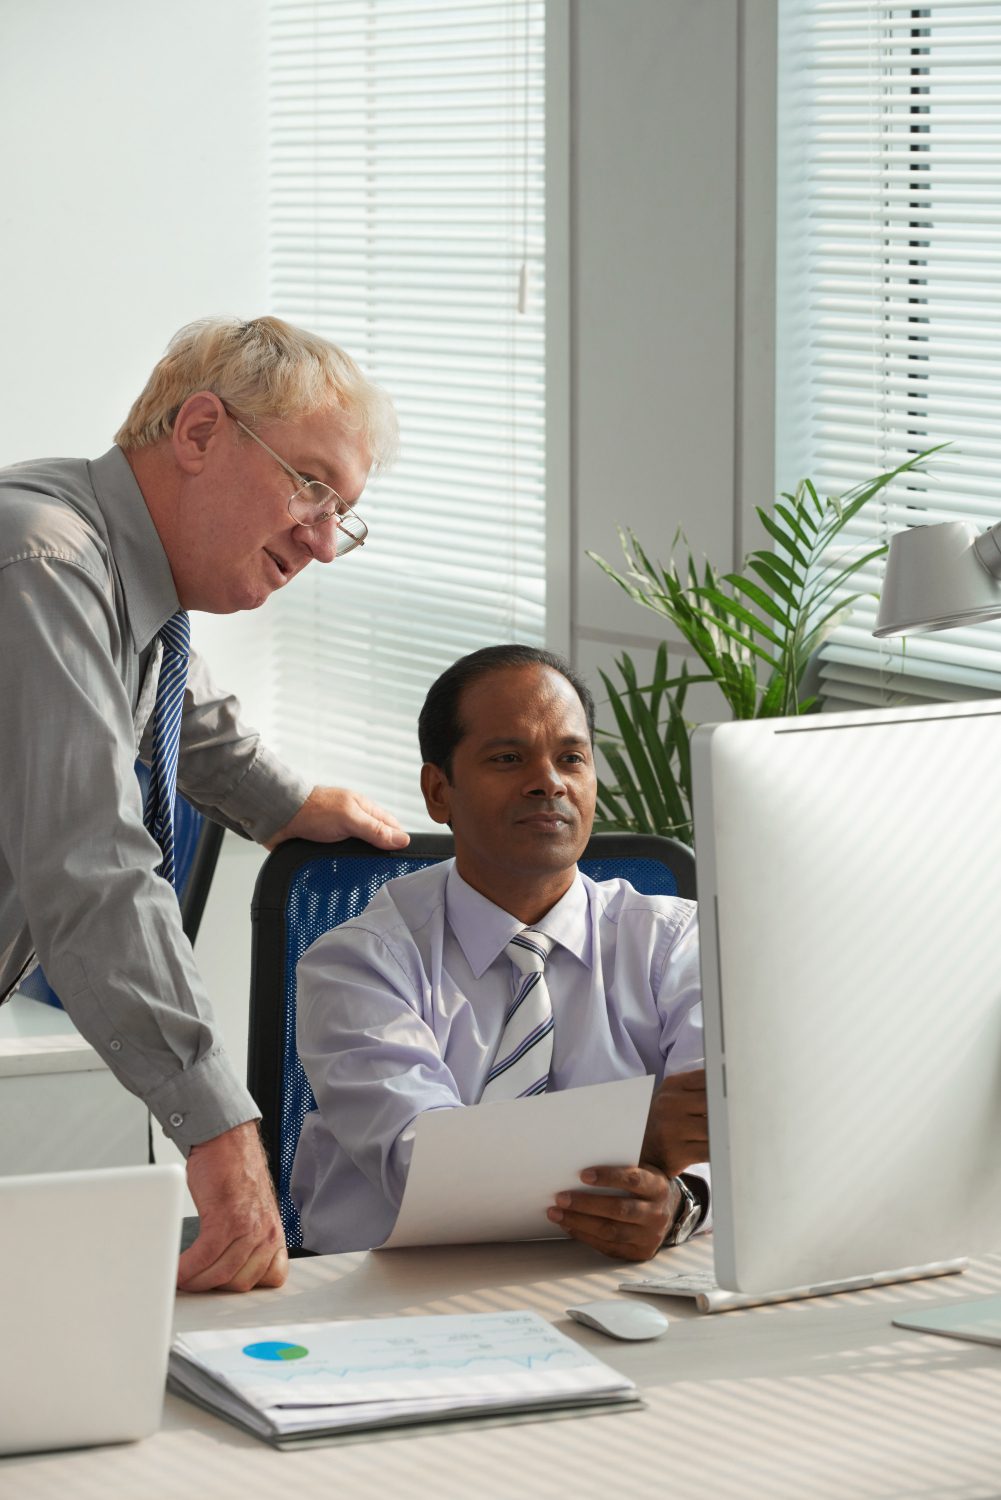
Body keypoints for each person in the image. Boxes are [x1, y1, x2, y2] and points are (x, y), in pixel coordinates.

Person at [0, 315, 411, 1293]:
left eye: (340, 514)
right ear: (197, 433)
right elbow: (90, 865)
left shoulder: (115, 573)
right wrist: (221, 1134)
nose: (318, 541)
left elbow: (169, 707)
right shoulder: (45, 564)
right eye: (309, 486)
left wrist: (283, 802)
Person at [293, 644, 710, 1261]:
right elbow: (427, 1166)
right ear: (439, 791)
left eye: (572, 757)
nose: (549, 782)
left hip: (611, 1282)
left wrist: (680, 1202)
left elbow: (739, 1134)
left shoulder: (673, 942)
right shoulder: (361, 963)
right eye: (508, 758)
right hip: (395, 1295)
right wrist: (634, 1133)